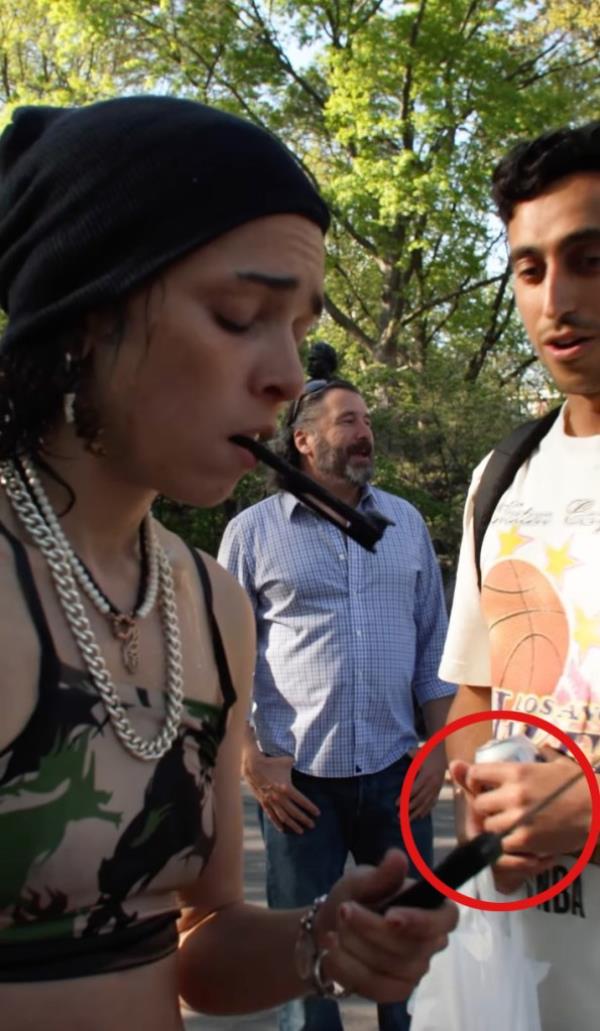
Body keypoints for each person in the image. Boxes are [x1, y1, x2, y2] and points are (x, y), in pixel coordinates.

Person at [0, 96, 458, 1031]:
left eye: (296, 326)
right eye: (241, 313)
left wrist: (322, 940)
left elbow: (197, 942)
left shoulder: (209, 603)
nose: (287, 373)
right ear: (84, 311)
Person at [218, 344, 455, 1031]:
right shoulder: (252, 534)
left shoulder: (406, 524)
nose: (364, 432)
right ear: (303, 439)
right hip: (300, 790)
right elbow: (226, 656)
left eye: (367, 420)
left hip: (396, 775)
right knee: (306, 968)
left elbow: (434, 643)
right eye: (348, 419)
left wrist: (437, 746)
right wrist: (249, 760)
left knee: (405, 960)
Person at [439, 120, 600, 1031]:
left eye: (591, 257)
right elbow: (473, 691)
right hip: (524, 979)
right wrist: (486, 789)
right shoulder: (501, 476)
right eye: (531, 268)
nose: (556, 300)